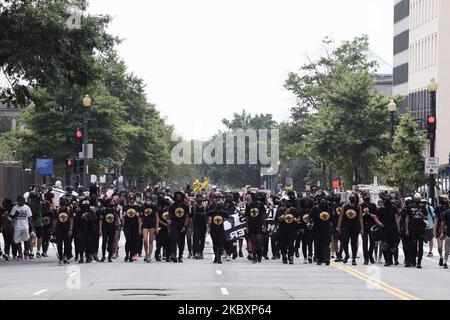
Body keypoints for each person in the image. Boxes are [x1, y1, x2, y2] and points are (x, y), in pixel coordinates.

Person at [337, 192, 364, 266]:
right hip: (345, 227)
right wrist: (339, 227)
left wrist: (362, 229)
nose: (352, 198)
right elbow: (341, 216)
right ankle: (346, 254)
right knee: (345, 241)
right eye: (351, 197)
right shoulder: (345, 206)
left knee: (354, 243)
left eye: (353, 197)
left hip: (355, 227)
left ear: (356, 199)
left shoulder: (358, 207)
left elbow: (361, 219)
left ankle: (354, 258)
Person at [376, 195, 401, 267]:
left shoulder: (394, 209)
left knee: (392, 245)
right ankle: (386, 260)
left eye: (386, 200)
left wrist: (398, 229)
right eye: (384, 200)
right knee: (384, 245)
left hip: (392, 229)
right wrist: (380, 224)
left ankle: (390, 259)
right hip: (383, 229)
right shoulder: (380, 209)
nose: (385, 201)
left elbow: (396, 219)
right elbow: (376, 218)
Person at [405, 193, 428, 269]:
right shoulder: (410, 206)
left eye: (419, 200)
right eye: (416, 199)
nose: (418, 201)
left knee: (421, 246)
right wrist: (407, 229)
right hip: (412, 228)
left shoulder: (423, 207)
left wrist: (422, 215)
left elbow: (426, 218)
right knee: (413, 245)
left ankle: (419, 262)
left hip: (421, 229)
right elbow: (407, 218)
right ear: (414, 199)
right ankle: (413, 259)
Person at [309, 192, 332, 266]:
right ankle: (320, 259)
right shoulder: (315, 208)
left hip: (326, 229)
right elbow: (310, 217)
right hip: (317, 229)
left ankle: (326, 258)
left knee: (326, 244)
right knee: (319, 244)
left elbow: (332, 219)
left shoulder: (329, 208)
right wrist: (311, 223)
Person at [276, 195, 300, 265]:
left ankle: (291, 256)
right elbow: (279, 219)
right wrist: (285, 213)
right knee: (283, 243)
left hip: (292, 229)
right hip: (283, 229)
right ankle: (284, 256)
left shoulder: (294, 210)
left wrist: (296, 220)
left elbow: (299, 218)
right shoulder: (281, 210)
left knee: (291, 243)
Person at [10, 196, 35, 261]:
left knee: (26, 240)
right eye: (18, 201)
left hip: (25, 226)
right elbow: (11, 218)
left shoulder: (27, 208)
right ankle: (20, 254)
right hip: (17, 227)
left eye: (20, 201)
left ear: (23, 201)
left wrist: (32, 227)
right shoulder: (15, 208)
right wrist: (15, 215)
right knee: (17, 241)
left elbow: (30, 218)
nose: (19, 202)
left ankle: (26, 253)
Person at [245, 192, 266, 263]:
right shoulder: (248, 205)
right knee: (253, 241)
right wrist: (247, 226)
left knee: (258, 240)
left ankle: (259, 254)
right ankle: (254, 256)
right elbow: (247, 217)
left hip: (258, 224)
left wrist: (263, 224)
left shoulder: (261, 205)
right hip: (252, 225)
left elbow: (263, 216)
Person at [169, 191, 190, 263]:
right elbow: (170, 216)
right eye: (177, 195)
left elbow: (187, 217)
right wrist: (169, 226)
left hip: (182, 225)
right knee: (174, 240)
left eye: (180, 195)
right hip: (174, 225)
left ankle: (180, 256)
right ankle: (174, 255)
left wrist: (185, 226)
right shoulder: (172, 206)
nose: (178, 196)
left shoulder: (185, 206)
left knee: (181, 242)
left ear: (182, 196)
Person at [207, 196, 228, 264]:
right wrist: (209, 224)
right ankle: (216, 257)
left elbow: (228, 218)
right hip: (214, 230)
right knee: (215, 244)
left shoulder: (224, 213)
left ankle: (219, 258)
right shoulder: (212, 212)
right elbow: (206, 215)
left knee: (220, 244)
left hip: (221, 230)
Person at [53, 198, 73, 265]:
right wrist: (54, 229)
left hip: (66, 229)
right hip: (59, 229)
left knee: (67, 244)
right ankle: (61, 258)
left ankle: (64, 257)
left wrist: (70, 229)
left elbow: (71, 220)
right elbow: (55, 220)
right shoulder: (57, 210)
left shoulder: (69, 210)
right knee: (60, 244)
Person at [123, 195, 142, 262]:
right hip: (127, 226)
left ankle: (131, 256)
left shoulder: (137, 207)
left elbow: (139, 218)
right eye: (130, 199)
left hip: (135, 226)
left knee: (134, 241)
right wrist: (123, 216)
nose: (132, 200)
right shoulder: (126, 206)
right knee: (128, 240)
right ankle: (126, 254)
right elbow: (123, 216)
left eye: (133, 199)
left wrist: (139, 228)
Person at [141, 195, 159, 263]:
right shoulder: (143, 207)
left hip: (152, 225)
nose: (148, 201)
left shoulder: (154, 207)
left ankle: (149, 256)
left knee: (150, 241)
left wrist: (157, 226)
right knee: (145, 240)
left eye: (149, 199)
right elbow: (141, 217)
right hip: (145, 225)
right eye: (147, 199)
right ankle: (146, 253)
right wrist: (140, 227)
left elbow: (157, 217)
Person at [360, 192, 377, 265]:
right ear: (363, 198)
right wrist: (364, 214)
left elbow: (376, 216)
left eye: (368, 196)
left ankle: (370, 254)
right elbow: (359, 217)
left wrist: (369, 213)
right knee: (365, 242)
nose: (367, 197)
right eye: (366, 196)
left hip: (371, 225)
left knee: (372, 243)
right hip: (364, 225)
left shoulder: (373, 205)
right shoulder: (361, 206)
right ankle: (366, 259)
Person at [190, 194, 208, 259]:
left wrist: (208, 226)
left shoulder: (205, 207)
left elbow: (207, 217)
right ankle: (197, 252)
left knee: (202, 240)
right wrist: (191, 227)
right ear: (196, 199)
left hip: (203, 225)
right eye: (198, 198)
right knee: (196, 239)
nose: (199, 199)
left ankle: (201, 252)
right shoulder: (193, 207)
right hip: (196, 225)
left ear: (202, 199)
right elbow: (191, 217)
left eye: (200, 198)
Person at [435, 195, 449, 266]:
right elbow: (436, 219)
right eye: (440, 199)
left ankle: (445, 259)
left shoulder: (448, 209)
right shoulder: (438, 208)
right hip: (439, 228)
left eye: (443, 199)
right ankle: (441, 257)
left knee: (447, 247)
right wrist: (434, 229)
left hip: (447, 229)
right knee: (440, 247)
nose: (441, 200)